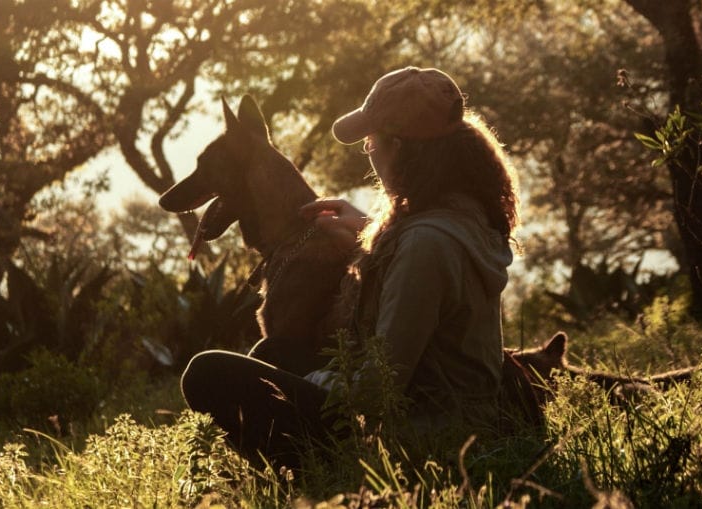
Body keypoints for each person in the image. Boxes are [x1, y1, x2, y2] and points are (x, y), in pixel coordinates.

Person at [179, 66, 519, 469]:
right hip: (454, 412)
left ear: (397, 148)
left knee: (207, 373)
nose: (369, 152)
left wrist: (309, 382)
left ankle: (319, 474)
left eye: (370, 142)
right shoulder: (461, 217)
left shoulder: (425, 247)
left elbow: (380, 386)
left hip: (428, 436)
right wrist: (370, 231)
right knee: (276, 351)